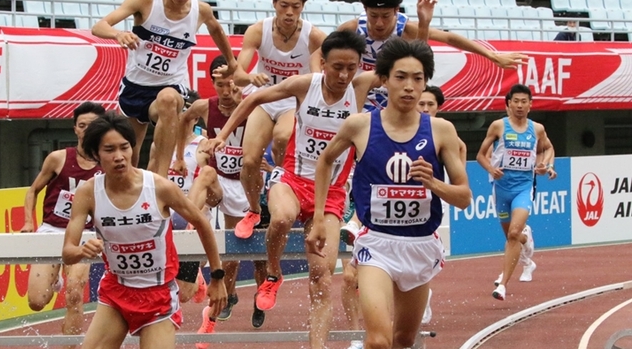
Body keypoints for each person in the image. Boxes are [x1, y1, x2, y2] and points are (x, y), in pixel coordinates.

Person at [204, 30, 407, 349]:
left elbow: (408, 65)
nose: (343, 75)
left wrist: (421, 24)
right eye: (337, 67)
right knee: (282, 218)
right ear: (322, 63)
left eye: (351, 67)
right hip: (293, 181)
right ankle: (273, 274)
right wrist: (223, 134)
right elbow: (255, 98)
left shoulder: (359, 86)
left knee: (321, 278)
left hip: (332, 195)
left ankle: (317, 346)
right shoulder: (304, 85)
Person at [306, 39, 472, 349]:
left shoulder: (441, 131)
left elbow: (464, 197)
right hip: (377, 245)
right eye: (401, 77)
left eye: (418, 79)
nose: (410, 86)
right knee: (379, 341)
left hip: (420, 245)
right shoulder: (359, 125)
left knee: (404, 340)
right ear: (384, 80)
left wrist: (434, 184)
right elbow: (325, 160)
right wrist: (318, 217)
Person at [62, 112, 227, 349]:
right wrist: (80, 251)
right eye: (109, 150)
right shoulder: (88, 193)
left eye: (124, 147)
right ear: (96, 154)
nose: (119, 157)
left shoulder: (158, 187)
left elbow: (201, 223)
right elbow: (67, 252)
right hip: (117, 292)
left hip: (158, 295)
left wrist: (218, 277)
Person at [91, 0, 238, 178]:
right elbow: (99, 26)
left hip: (171, 83)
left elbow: (216, 29)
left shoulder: (201, 11)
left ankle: (160, 180)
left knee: (169, 100)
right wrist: (118, 34)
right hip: (135, 87)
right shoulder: (146, 1)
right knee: (129, 160)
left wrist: (232, 62)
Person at [216, 0, 328, 240]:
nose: (290, 13)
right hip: (264, 97)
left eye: (296, 7)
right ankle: (255, 210)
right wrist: (250, 77)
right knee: (250, 160)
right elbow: (239, 72)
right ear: (274, 3)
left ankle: (287, 193)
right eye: (284, 6)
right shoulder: (259, 30)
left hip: (294, 100)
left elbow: (320, 73)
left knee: (281, 138)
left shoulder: (314, 37)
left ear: (303, 6)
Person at [312, 0, 527, 111]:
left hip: (394, 98)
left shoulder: (406, 29)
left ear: (396, 10)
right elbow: (319, 55)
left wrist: (491, 55)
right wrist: (317, 83)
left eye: (386, 16)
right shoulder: (351, 29)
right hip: (359, 96)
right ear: (365, 9)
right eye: (373, 15)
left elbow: (445, 40)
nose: (379, 23)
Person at [175, 55, 268, 346]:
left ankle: (257, 295)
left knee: (257, 261)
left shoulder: (256, 106)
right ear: (213, 84)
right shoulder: (206, 107)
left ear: (239, 82)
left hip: (249, 186)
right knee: (205, 173)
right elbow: (185, 118)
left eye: (231, 86)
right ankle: (192, 230)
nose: (226, 93)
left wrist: (269, 163)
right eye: (220, 86)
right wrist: (179, 156)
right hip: (223, 183)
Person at [21, 102, 106, 346]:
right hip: (51, 230)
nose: (86, 130)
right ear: (75, 129)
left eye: (92, 126)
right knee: (37, 302)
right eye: (82, 125)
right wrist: (29, 221)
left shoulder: (108, 163)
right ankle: (54, 278)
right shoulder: (58, 158)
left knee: (75, 293)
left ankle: (71, 345)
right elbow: (33, 190)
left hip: (86, 234)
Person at [476, 84, 557, 301]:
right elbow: (480, 156)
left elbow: (548, 148)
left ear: (530, 105)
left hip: (524, 188)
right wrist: (491, 168)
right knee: (511, 236)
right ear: (508, 104)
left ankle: (502, 285)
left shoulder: (537, 129)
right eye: (516, 101)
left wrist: (546, 166)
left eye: (524, 102)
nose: (520, 105)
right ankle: (526, 242)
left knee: (512, 233)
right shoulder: (498, 126)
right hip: (500, 189)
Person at [149, 120, 209, 304]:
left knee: (185, 295)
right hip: (165, 211)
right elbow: (149, 176)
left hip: (190, 212)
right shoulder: (158, 145)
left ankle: (196, 274)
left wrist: (200, 214)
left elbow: (209, 182)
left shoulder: (203, 143)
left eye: (185, 117)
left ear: (193, 119)